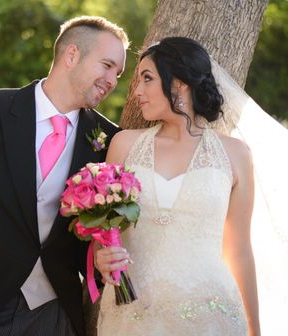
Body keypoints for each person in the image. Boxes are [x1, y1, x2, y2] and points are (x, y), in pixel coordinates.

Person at [0, 16, 130, 335]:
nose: (112, 80)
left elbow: (95, 228)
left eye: (118, 73)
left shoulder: (106, 139)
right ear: (72, 55)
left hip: (52, 309)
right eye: (107, 65)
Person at [94, 37, 261, 335]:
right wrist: (100, 255)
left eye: (147, 79)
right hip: (133, 316)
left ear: (180, 83)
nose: (137, 92)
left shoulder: (236, 155)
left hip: (210, 316)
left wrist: (254, 330)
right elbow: (105, 232)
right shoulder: (124, 145)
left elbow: (239, 251)